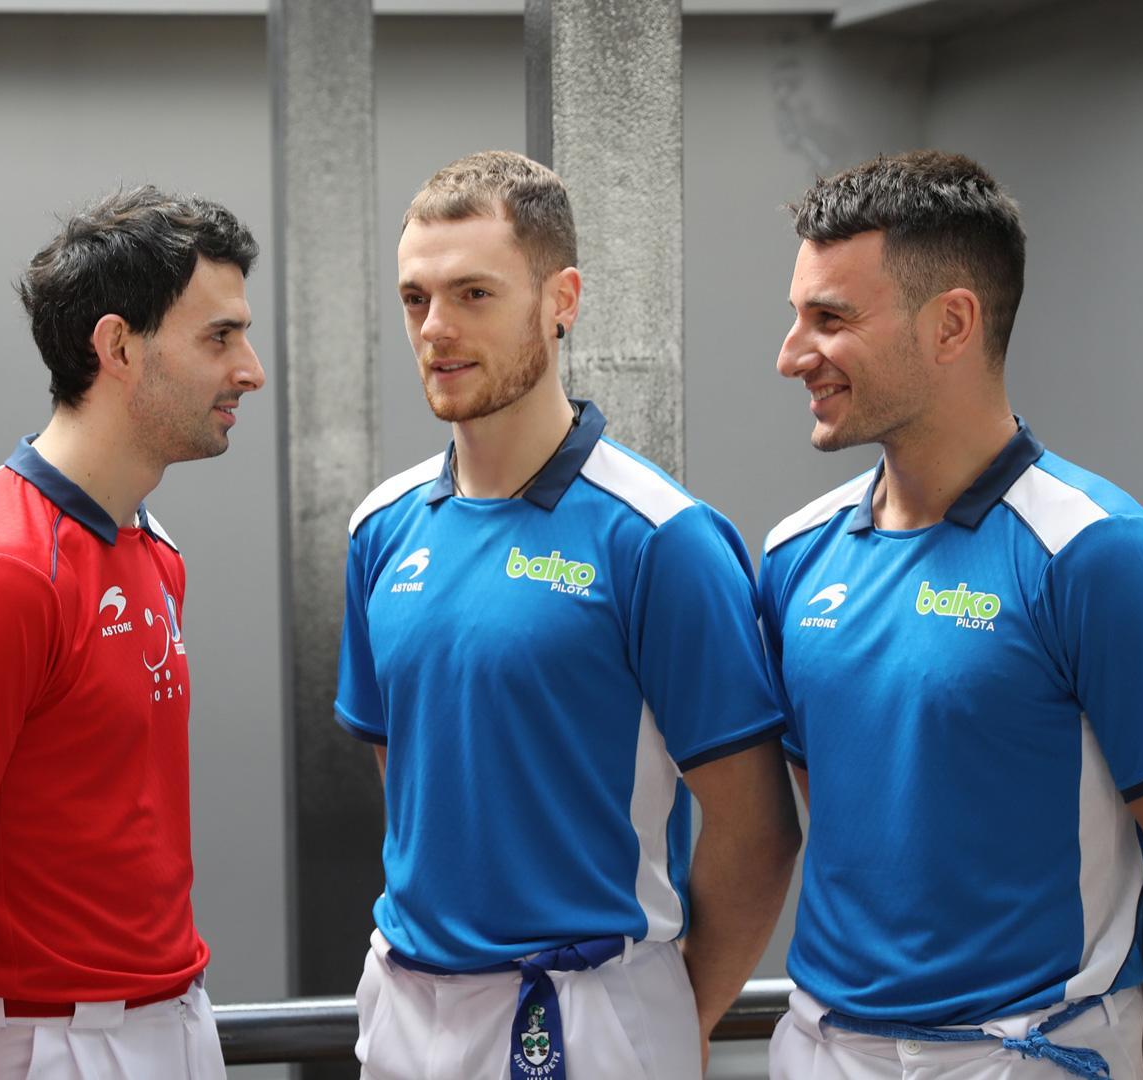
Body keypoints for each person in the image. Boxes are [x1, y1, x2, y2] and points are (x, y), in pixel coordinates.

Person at [761, 150, 1143, 1080]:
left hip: (1027, 1055)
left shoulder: (1101, 556)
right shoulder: (794, 556)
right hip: (821, 1050)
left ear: (952, 323)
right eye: (798, 316)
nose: (793, 354)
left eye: (830, 319)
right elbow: (833, 813)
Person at [335, 150, 801, 1080]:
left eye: (474, 294)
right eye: (416, 298)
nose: (436, 328)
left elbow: (758, 834)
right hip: (404, 1005)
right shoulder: (379, 529)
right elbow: (408, 777)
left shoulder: (660, 538)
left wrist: (665, 1017)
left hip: (587, 1014)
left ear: (563, 300)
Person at [0, 186, 264, 1080]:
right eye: (220, 337)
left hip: (172, 1022)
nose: (248, 368)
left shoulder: (150, 545)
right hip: (35, 1044)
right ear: (118, 346)